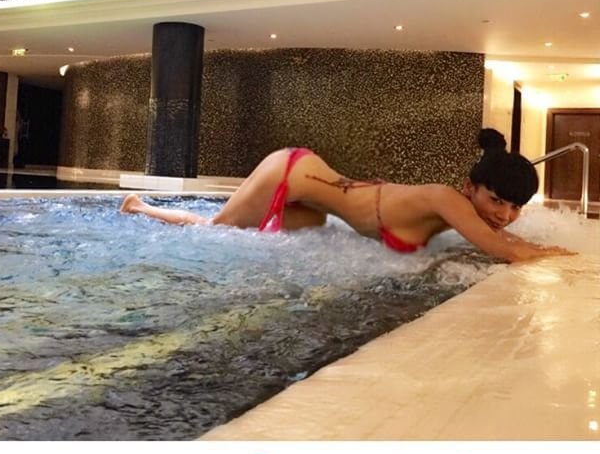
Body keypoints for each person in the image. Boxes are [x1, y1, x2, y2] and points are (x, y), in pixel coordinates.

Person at [120, 129, 573, 262]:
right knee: (218, 229)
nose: (505, 215)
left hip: (316, 198)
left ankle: (146, 207)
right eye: (497, 201)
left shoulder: (458, 212)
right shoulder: (446, 199)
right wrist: (568, 257)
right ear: (470, 188)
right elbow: (505, 249)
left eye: (515, 207)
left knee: (267, 232)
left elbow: (504, 241)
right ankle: (140, 206)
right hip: (291, 173)